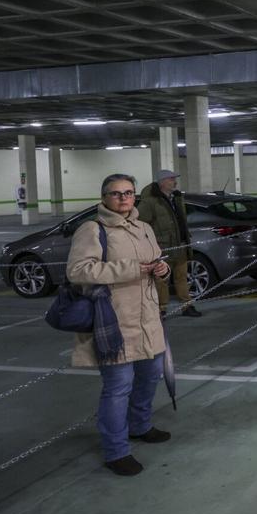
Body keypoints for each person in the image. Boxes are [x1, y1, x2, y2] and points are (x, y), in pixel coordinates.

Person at [67, 173, 172, 476]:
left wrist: (161, 269)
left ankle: (140, 426)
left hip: (148, 318)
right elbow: (78, 270)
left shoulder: (143, 228)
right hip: (114, 321)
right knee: (118, 387)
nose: (124, 198)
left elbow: (155, 263)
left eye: (128, 193)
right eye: (116, 194)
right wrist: (131, 269)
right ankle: (116, 451)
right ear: (104, 198)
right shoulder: (92, 229)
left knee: (151, 376)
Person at [137, 169, 200, 317]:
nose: (175, 182)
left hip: (180, 245)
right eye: (171, 179)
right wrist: (151, 243)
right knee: (161, 280)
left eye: (174, 179)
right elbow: (140, 224)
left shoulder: (176, 198)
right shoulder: (150, 201)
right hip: (162, 248)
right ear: (162, 182)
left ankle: (187, 306)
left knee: (182, 278)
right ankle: (160, 310)